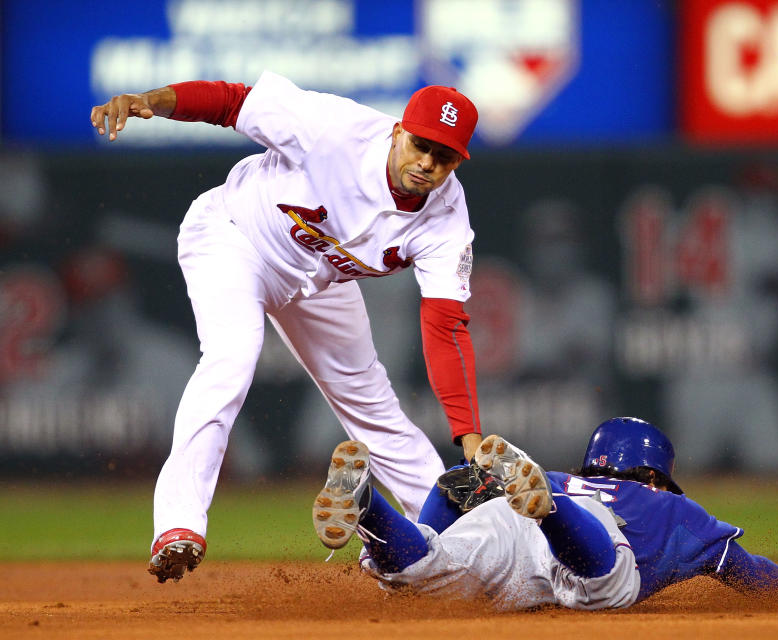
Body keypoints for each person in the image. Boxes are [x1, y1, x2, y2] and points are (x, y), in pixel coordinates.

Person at [90, 73, 484, 582]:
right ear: (397, 131)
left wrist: (468, 435)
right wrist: (152, 102)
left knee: (370, 400)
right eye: (420, 144)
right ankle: (178, 525)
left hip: (319, 277)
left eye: (444, 156)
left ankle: (458, 537)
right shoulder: (332, 130)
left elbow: (445, 325)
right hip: (235, 237)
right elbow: (232, 102)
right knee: (232, 357)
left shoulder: (447, 217)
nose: (428, 163)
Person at [313, 417, 778, 610]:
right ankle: (552, 516)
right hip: (581, 523)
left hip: (511, 509)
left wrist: (429, 536)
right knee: (607, 584)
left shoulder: (562, 475)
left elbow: (452, 487)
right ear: (656, 476)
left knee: (430, 570)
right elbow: (749, 571)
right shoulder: (672, 505)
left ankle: (368, 504)